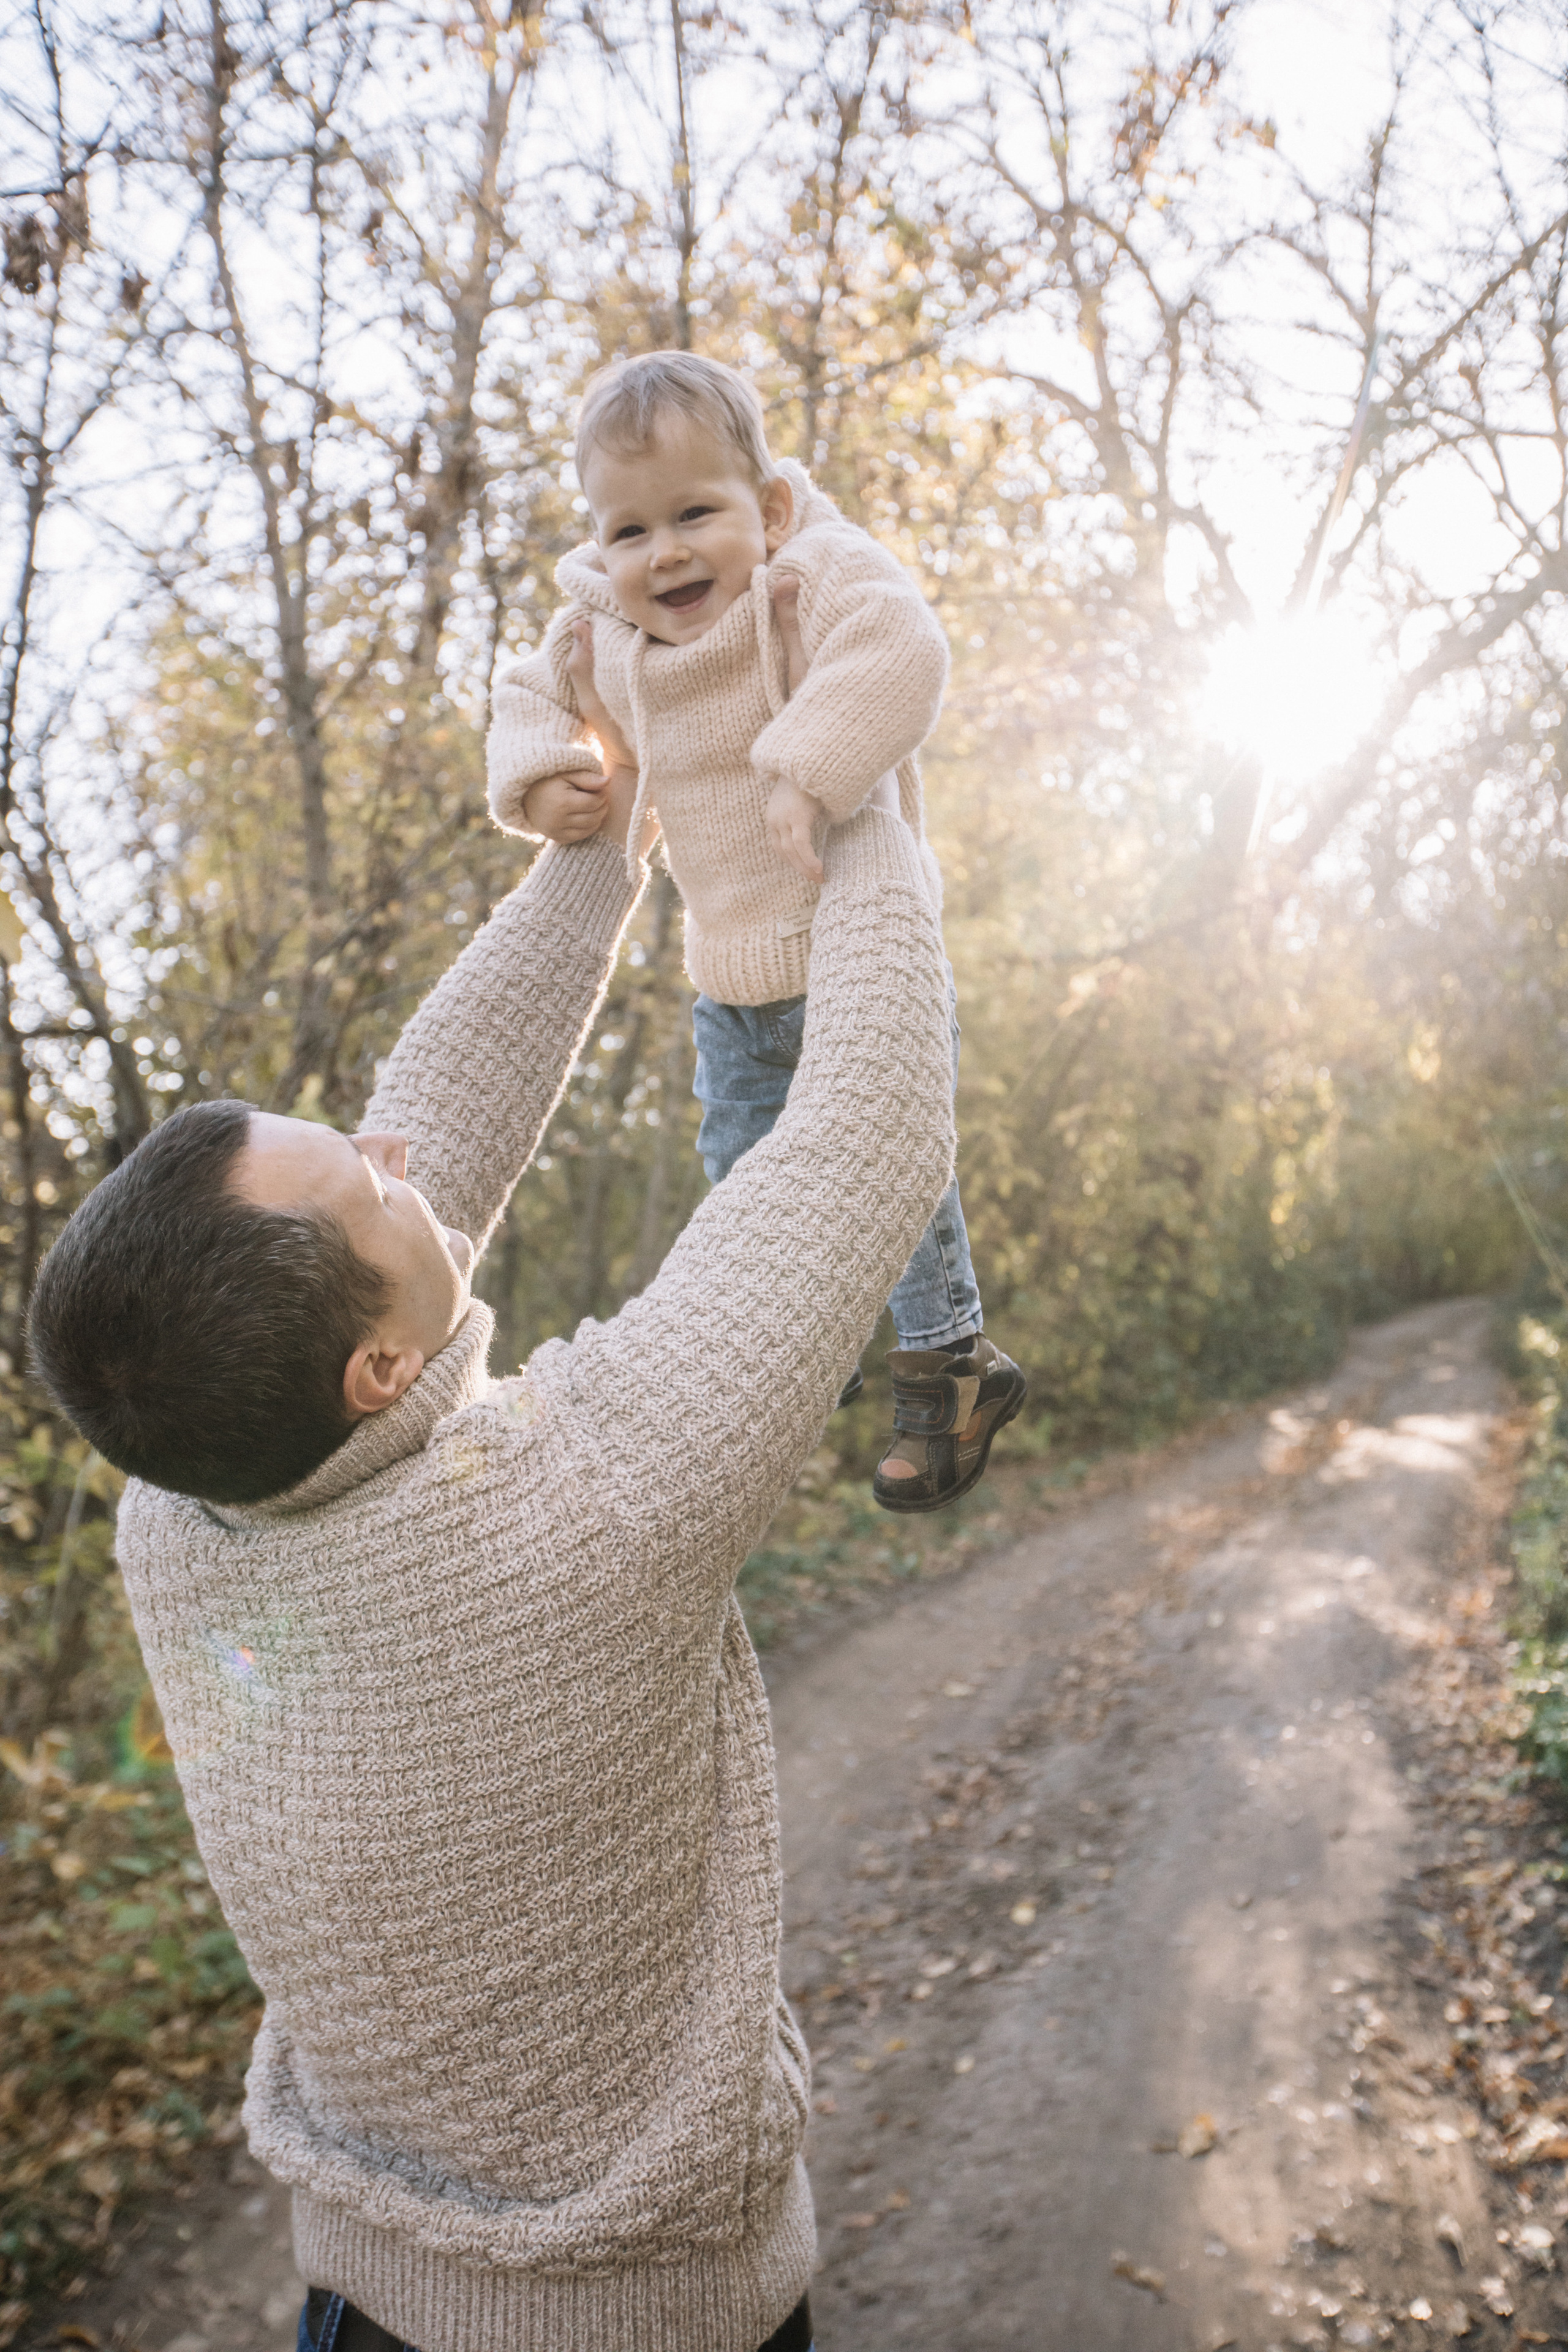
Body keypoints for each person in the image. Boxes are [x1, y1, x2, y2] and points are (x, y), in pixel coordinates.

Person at [26, 616, 958, 2352]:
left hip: (366, 2302)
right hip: (667, 2326)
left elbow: (420, 1147)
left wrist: (605, 841)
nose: (387, 1148)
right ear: (376, 1373)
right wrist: (858, 778)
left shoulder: (185, 1506)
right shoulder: (586, 1504)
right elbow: (867, 1135)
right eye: (354, 1177)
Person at [486, 349, 1026, 1513]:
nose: (664, 553)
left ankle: (953, 1361)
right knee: (738, 1171)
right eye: (629, 532)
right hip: (731, 978)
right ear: (599, 546)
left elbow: (905, 649)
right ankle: (801, 1345)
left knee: (895, 1153)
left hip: (859, 946)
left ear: (768, 509)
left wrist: (807, 769)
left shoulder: (808, 577)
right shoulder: (608, 639)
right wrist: (541, 781)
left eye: (695, 514)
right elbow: (529, 693)